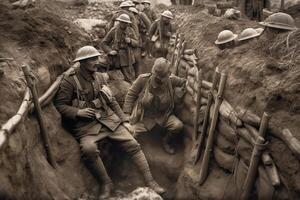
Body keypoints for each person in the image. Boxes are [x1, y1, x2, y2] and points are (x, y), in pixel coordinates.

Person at [54, 46, 165, 199]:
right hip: (85, 127)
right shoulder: (70, 81)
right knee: (89, 149)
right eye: (93, 59)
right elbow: (60, 105)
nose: (97, 61)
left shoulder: (99, 77)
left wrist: (125, 121)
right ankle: (106, 183)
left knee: (133, 144)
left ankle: (151, 181)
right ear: (83, 62)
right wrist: (77, 112)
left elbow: (111, 101)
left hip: (108, 120)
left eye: (97, 58)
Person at [123, 57, 186, 154]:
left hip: (163, 116)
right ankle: (133, 153)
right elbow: (131, 95)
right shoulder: (143, 79)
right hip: (144, 116)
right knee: (130, 133)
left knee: (177, 126)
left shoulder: (171, 80)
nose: (159, 80)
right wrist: (127, 115)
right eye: (157, 77)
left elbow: (184, 82)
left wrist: (180, 91)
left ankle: (166, 141)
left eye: (162, 78)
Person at [102, 14, 139, 83]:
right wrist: (110, 51)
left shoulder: (130, 30)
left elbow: (137, 43)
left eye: (125, 23)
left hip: (128, 57)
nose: (123, 24)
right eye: (121, 22)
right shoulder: (114, 31)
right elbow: (104, 43)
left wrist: (130, 41)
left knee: (129, 79)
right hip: (116, 57)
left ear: (128, 23)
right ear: (119, 22)